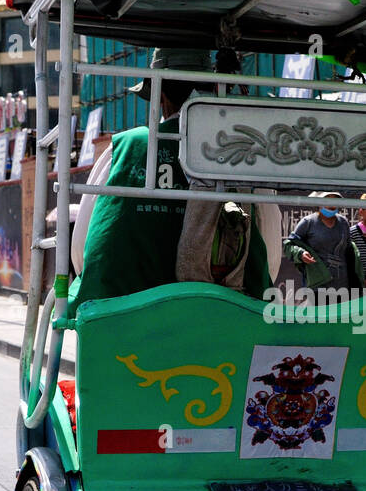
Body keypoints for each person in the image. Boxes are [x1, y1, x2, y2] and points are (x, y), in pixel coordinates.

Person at [69, 47, 271, 302]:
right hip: (232, 314)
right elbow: (269, 253)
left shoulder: (124, 148)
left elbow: (82, 252)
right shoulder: (246, 153)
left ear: (160, 96)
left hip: (120, 317)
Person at [284, 191, 360, 293]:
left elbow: (349, 251)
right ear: (318, 202)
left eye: (335, 200)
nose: (331, 204)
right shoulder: (308, 222)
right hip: (317, 285)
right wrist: (301, 254)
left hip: (342, 286)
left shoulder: (343, 222)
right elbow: (289, 245)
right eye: (327, 199)